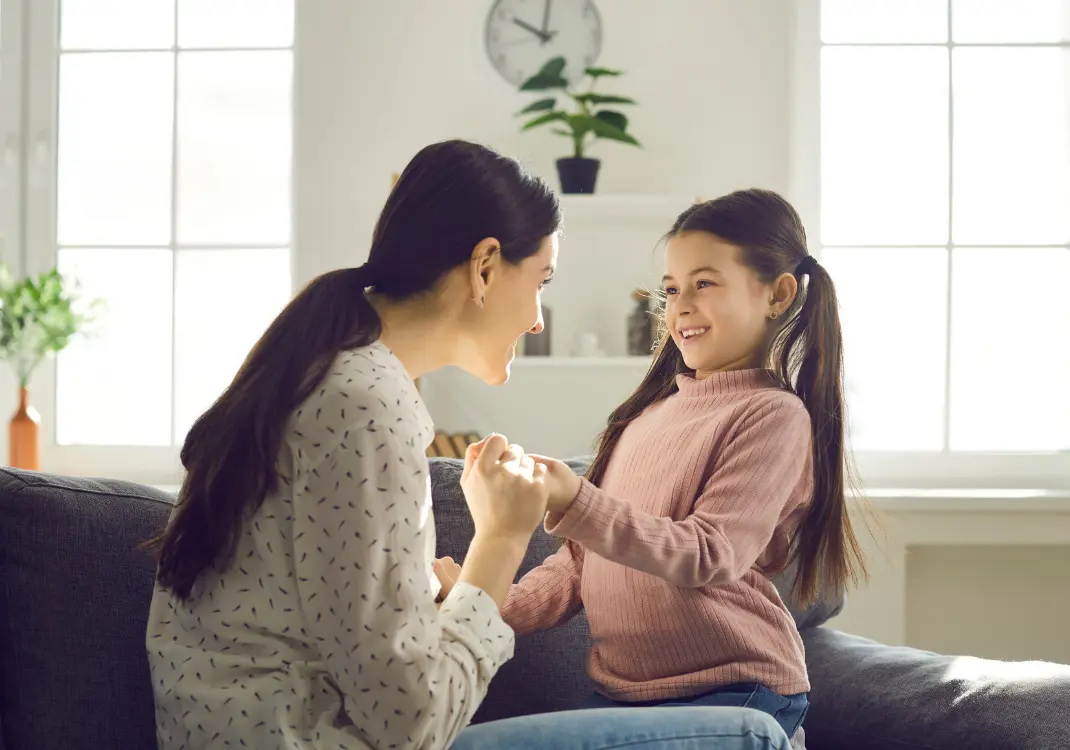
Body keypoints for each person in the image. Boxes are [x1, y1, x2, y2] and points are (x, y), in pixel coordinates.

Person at [144, 141, 794, 750]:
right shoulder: (368, 402)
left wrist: (458, 592)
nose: (538, 317)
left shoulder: (336, 376)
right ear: (485, 267)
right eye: (540, 281)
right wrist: (500, 539)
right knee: (753, 738)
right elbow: (411, 721)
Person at [463, 188, 869, 746]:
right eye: (672, 288)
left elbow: (710, 553)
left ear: (777, 294)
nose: (680, 306)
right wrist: (478, 602)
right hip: (625, 694)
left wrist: (577, 500)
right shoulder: (646, 417)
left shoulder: (773, 415)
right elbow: (579, 566)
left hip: (734, 692)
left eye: (704, 283)